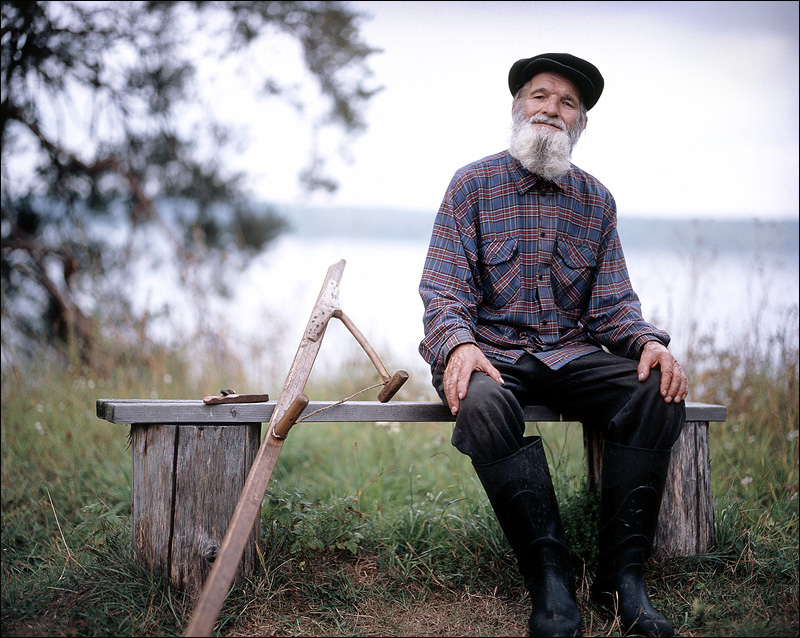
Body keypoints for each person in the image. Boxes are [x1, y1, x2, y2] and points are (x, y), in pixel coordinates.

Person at [418, 53, 688, 638]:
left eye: (568, 103)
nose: (551, 109)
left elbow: (612, 305)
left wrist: (648, 342)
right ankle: (550, 580)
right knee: (482, 404)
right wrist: (458, 347)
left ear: (580, 123)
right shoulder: (471, 185)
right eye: (540, 96)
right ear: (518, 108)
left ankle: (623, 579)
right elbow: (443, 290)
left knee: (657, 390)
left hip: (571, 354)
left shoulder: (597, 200)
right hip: (491, 354)